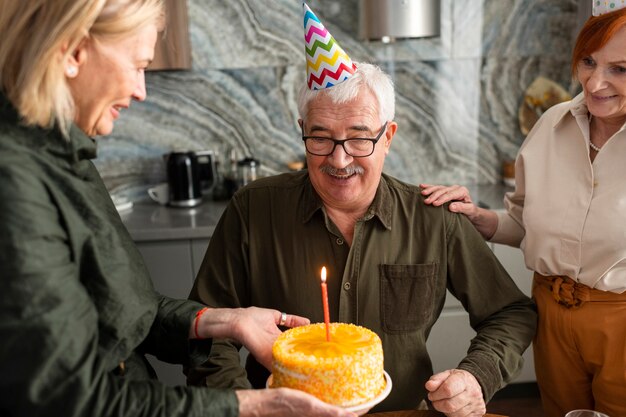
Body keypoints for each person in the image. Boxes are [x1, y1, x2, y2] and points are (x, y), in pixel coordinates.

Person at [0, 1, 355, 417]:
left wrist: (222, 321)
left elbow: (123, 311)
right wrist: (255, 406)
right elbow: (74, 401)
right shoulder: (15, 182)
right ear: (76, 51)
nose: (141, 90)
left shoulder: (69, 156)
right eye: (138, 65)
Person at [188, 60, 537, 415]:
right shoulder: (252, 210)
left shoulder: (434, 217)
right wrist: (239, 404)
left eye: (358, 138)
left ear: (387, 136)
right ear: (302, 131)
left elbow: (510, 312)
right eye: (320, 138)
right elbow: (208, 325)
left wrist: (476, 376)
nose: (339, 160)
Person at [420, 6, 626, 417]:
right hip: (550, 313)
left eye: (620, 69)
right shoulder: (552, 123)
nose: (595, 82)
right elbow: (523, 220)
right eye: (588, 61)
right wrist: (479, 217)